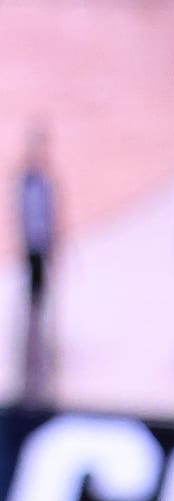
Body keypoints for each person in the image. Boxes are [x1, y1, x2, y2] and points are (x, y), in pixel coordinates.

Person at [17, 124, 54, 403]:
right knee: (33, 293)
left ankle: (37, 344)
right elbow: (21, 212)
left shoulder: (42, 182)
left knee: (40, 293)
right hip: (33, 243)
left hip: (41, 243)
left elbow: (51, 212)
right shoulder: (28, 182)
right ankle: (31, 344)